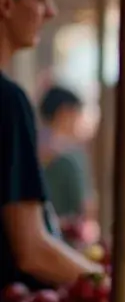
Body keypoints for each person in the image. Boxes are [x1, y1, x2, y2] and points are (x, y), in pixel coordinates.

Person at [0, 0, 102, 290]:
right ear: (6, 2)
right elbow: (32, 250)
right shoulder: (9, 102)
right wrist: (106, 284)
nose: (51, 11)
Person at [39, 85, 94, 222]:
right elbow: (85, 207)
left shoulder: (31, 144)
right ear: (64, 113)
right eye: (76, 114)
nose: (78, 120)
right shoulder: (70, 156)